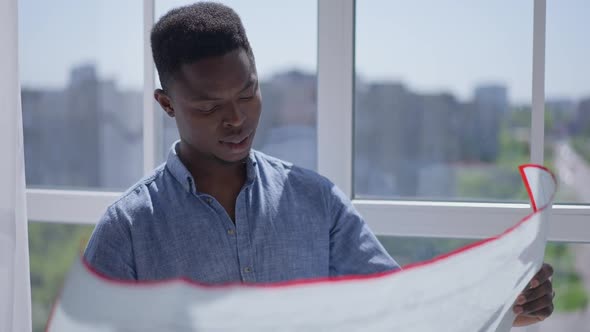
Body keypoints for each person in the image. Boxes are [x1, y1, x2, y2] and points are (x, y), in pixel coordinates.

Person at [84, 2, 554, 326]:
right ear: (167, 105)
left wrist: (504, 305)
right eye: (209, 107)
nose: (236, 118)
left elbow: (400, 308)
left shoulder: (315, 201)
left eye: (248, 93)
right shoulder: (127, 230)